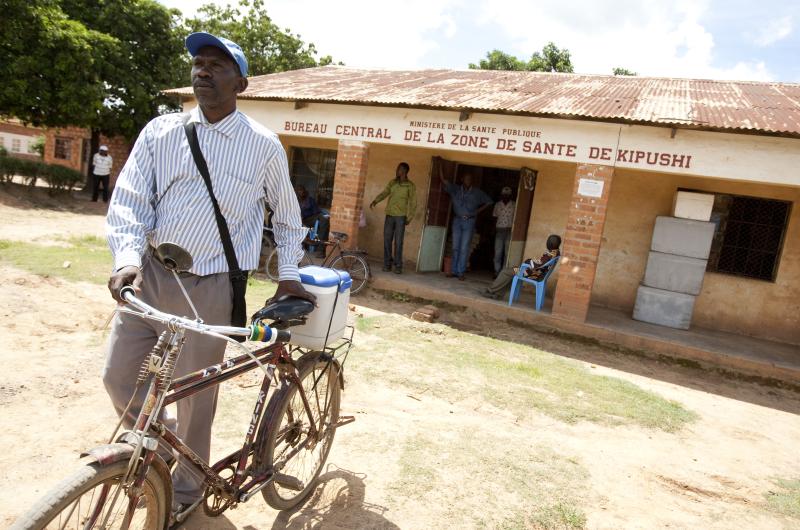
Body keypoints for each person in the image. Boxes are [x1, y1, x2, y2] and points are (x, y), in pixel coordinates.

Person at [103, 32, 314, 524]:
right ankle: (156, 454)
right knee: (118, 377)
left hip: (213, 286)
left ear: (241, 82)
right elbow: (131, 198)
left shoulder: (262, 145)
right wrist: (126, 259)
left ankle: (185, 491)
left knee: (196, 399)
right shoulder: (160, 132)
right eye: (198, 63)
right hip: (151, 274)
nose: (202, 70)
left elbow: (286, 217)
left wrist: (288, 276)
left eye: (216, 65)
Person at [439, 167, 492, 280]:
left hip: (469, 221)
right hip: (457, 220)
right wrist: (440, 164)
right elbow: (444, 180)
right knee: (455, 247)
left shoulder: (477, 192)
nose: (468, 180)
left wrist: (475, 212)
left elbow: (489, 201)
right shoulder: (455, 189)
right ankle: (453, 271)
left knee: (464, 248)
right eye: (466, 178)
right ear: (462, 179)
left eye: (470, 179)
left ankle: (460, 272)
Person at [481, 234, 561, 299]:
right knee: (511, 272)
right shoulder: (556, 252)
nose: (547, 243)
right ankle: (498, 294)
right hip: (538, 273)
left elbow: (539, 264)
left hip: (533, 274)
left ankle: (490, 291)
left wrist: (528, 261)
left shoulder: (550, 254)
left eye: (548, 242)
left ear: (549, 244)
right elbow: (541, 263)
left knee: (505, 271)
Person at [370, 162, 416, 274]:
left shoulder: (410, 185)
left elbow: (413, 202)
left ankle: (398, 266)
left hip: (401, 217)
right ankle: (387, 264)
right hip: (390, 215)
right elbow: (385, 193)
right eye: (397, 169)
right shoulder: (393, 182)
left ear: (404, 171)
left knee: (399, 242)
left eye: (399, 169)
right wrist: (376, 200)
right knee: (387, 240)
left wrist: (409, 218)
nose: (396, 170)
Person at [296, 184, 329, 254]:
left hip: (313, 218)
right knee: (323, 221)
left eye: (302, 190)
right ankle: (320, 248)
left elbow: (316, 211)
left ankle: (321, 248)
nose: (301, 192)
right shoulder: (295, 201)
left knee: (325, 222)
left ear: (304, 191)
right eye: (299, 190)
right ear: (297, 192)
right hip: (303, 220)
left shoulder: (310, 199)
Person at [492, 186, 515, 277]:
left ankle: (503, 273)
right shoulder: (497, 205)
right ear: (501, 195)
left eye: (507, 195)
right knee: (497, 252)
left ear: (510, 195)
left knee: (507, 253)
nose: (505, 196)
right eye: (504, 195)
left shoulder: (514, 205)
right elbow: (494, 218)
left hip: (509, 230)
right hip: (499, 230)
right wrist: (493, 230)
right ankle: (496, 271)